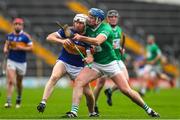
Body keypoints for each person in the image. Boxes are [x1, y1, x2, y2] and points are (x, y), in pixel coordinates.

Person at [65, 8, 160, 118]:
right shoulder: (87, 27)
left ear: (98, 20)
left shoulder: (106, 28)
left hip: (110, 64)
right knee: (79, 81)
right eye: (89, 16)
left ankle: (149, 110)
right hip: (96, 64)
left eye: (91, 17)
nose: (89, 19)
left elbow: (97, 41)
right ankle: (74, 112)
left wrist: (80, 37)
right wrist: (65, 32)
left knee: (126, 90)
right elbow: (74, 30)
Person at [36, 14, 98, 117]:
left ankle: (92, 112)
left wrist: (88, 59)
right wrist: (62, 41)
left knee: (88, 93)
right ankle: (43, 102)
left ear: (85, 24)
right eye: (76, 22)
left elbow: (90, 55)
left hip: (78, 67)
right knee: (54, 76)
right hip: (64, 61)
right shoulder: (68, 31)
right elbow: (49, 37)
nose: (77, 25)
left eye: (81, 23)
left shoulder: (87, 36)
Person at [93, 10, 128, 113]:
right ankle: (94, 104)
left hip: (116, 59)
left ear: (117, 18)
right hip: (105, 59)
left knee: (126, 79)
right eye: (111, 17)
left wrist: (121, 49)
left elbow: (117, 43)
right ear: (107, 18)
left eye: (115, 17)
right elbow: (98, 42)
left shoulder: (119, 29)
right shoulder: (104, 29)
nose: (113, 18)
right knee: (100, 84)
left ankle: (110, 91)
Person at [3, 18, 33, 108]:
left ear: (22, 26)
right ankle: (8, 101)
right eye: (16, 24)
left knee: (19, 83)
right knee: (11, 80)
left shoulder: (26, 36)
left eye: (19, 24)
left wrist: (21, 48)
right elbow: (7, 44)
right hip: (11, 60)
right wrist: (5, 49)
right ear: (13, 25)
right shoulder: (10, 36)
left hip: (22, 62)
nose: (17, 25)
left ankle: (19, 97)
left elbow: (31, 48)